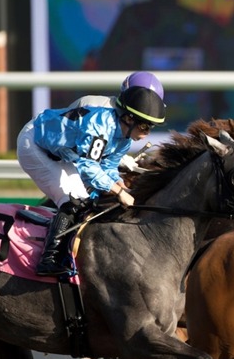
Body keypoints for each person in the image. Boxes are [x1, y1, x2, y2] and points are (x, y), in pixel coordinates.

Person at [16, 85, 167, 276]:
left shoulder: (124, 138)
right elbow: (88, 168)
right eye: (145, 126)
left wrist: (120, 185)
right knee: (72, 199)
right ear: (128, 118)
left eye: (150, 127)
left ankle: (66, 252)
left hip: (62, 153)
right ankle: (49, 260)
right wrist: (118, 192)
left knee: (87, 199)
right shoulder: (99, 126)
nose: (147, 133)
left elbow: (108, 167)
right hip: (34, 144)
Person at [95, 0, 221, 123]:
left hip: (188, 112)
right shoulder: (133, 16)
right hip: (139, 108)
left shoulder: (198, 22)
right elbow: (108, 58)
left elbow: (214, 67)